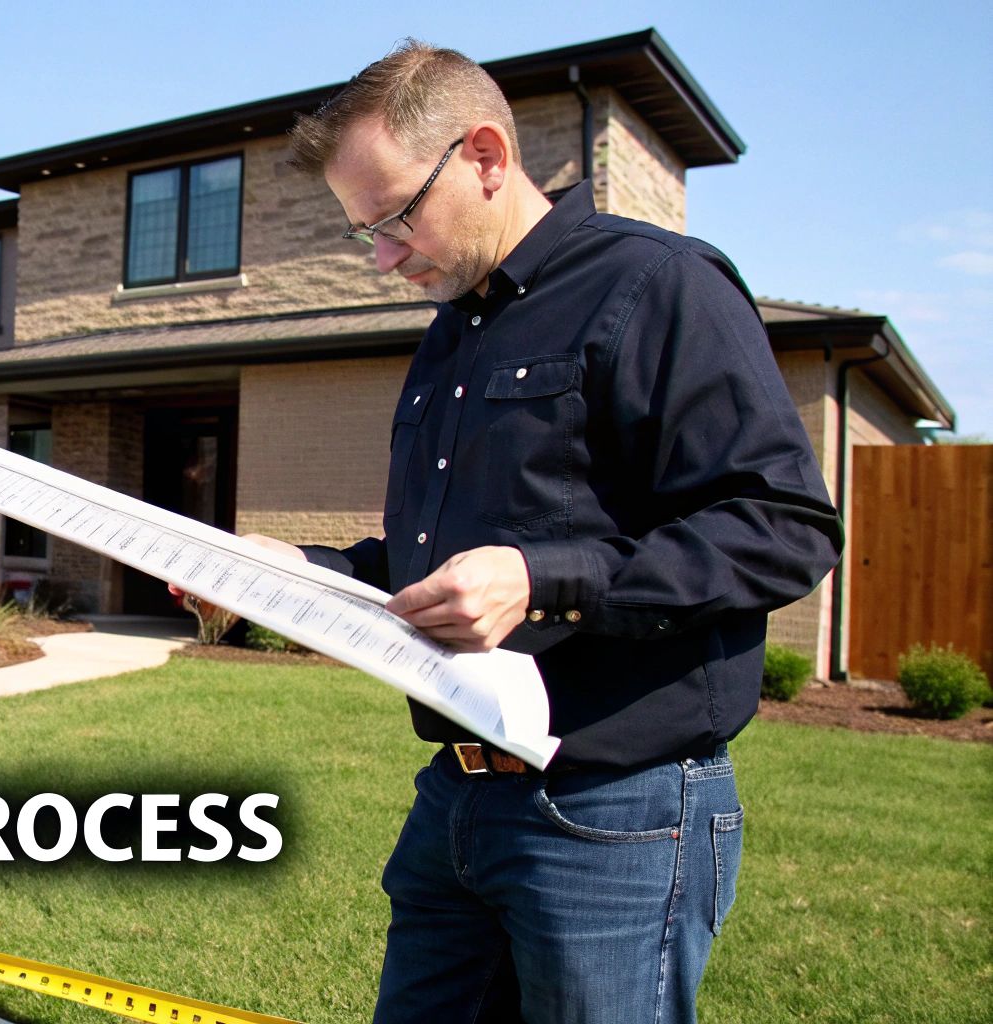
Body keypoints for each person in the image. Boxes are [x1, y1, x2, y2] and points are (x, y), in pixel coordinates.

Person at [173, 41, 842, 1023]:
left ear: (484, 154)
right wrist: (292, 571)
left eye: (395, 217)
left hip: (615, 811)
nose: (384, 256)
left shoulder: (656, 286)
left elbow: (781, 525)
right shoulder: (452, 332)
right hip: (455, 800)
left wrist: (543, 578)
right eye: (364, 232)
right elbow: (433, 571)